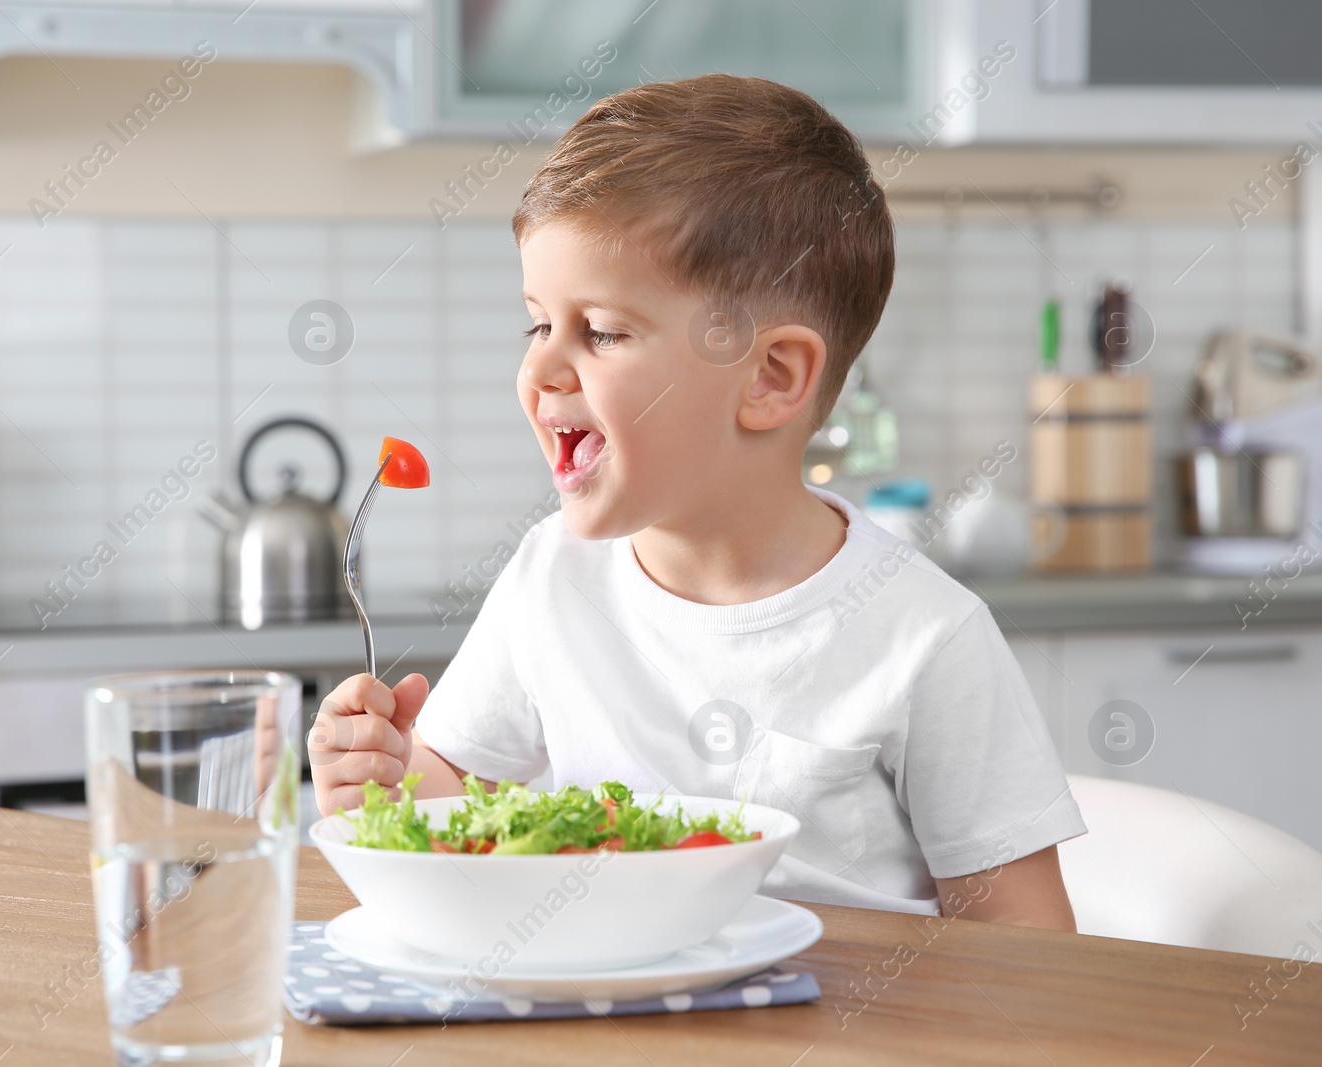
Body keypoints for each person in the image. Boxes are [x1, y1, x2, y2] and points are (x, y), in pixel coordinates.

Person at [310, 74, 1084, 929]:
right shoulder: (551, 578)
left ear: (770, 378)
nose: (541, 369)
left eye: (600, 331)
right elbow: (461, 802)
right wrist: (386, 774)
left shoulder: (926, 636)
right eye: (538, 324)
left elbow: (1028, 950)